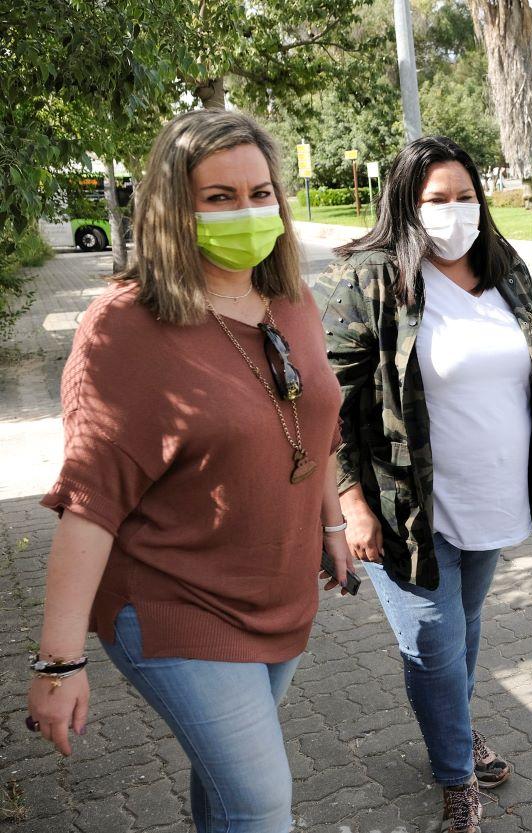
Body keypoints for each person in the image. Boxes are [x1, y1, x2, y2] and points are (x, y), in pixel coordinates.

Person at [25, 110, 350, 833]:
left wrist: (331, 521)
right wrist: (58, 661)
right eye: (220, 198)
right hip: (173, 601)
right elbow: (91, 499)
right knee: (262, 799)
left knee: (228, 785)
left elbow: (316, 421)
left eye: (261, 192)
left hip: (280, 591)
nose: (249, 211)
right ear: (176, 209)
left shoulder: (293, 301)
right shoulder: (125, 325)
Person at [316, 135, 532, 833]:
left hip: (493, 492)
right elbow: (331, 403)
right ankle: (455, 776)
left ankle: (457, 732)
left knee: (465, 631)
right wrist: (350, 503)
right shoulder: (371, 277)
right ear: (406, 204)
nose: (454, 211)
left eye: (465, 196)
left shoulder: (505, 266)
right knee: (434, 643)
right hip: (404, 504)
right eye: (436, 199)